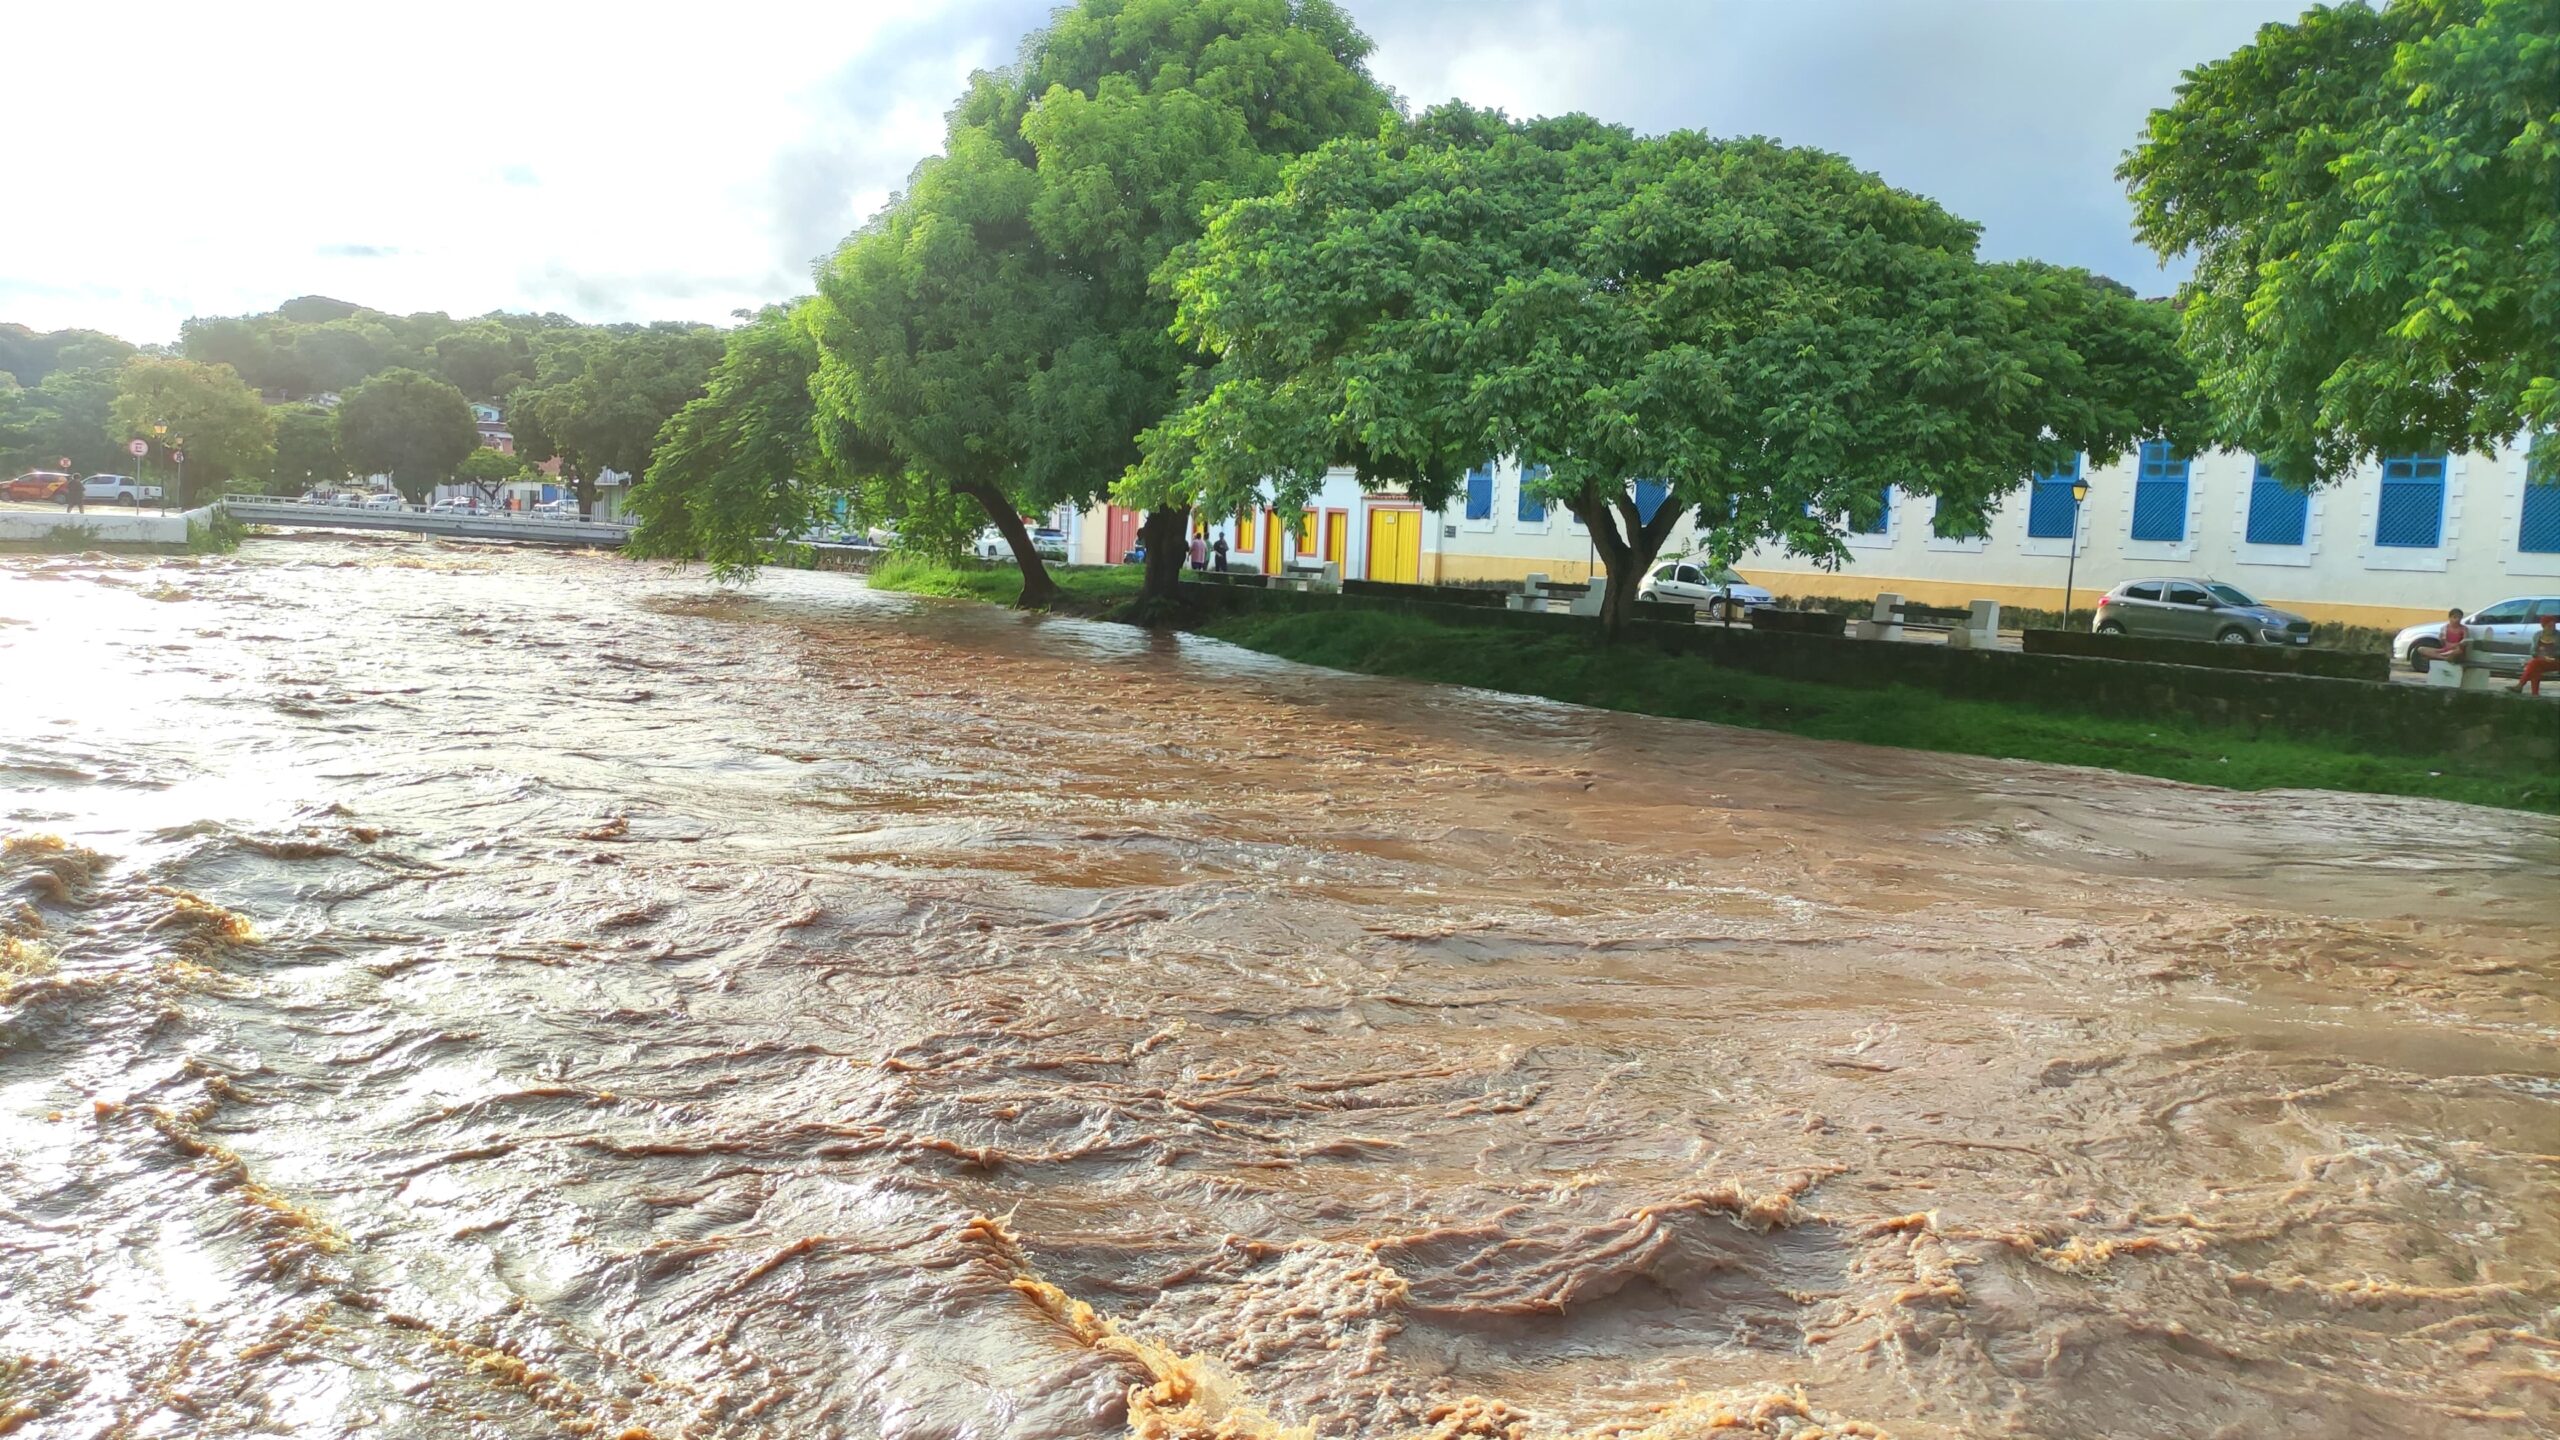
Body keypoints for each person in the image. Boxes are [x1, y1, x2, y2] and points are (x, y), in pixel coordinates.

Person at [2516, 615, 2559, 697]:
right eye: (2549, 626)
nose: (2552, 628)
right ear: (2543, 626)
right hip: (2541, 661)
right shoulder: (2537, 635)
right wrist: (2539, 655)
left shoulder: (2558, 636)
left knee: (2534, 664)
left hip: (2556, 661)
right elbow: (2532, 650)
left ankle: (2520, 686)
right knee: (2535, 668)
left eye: (2553, 626)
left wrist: (2552, 655)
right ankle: (2535, 694)